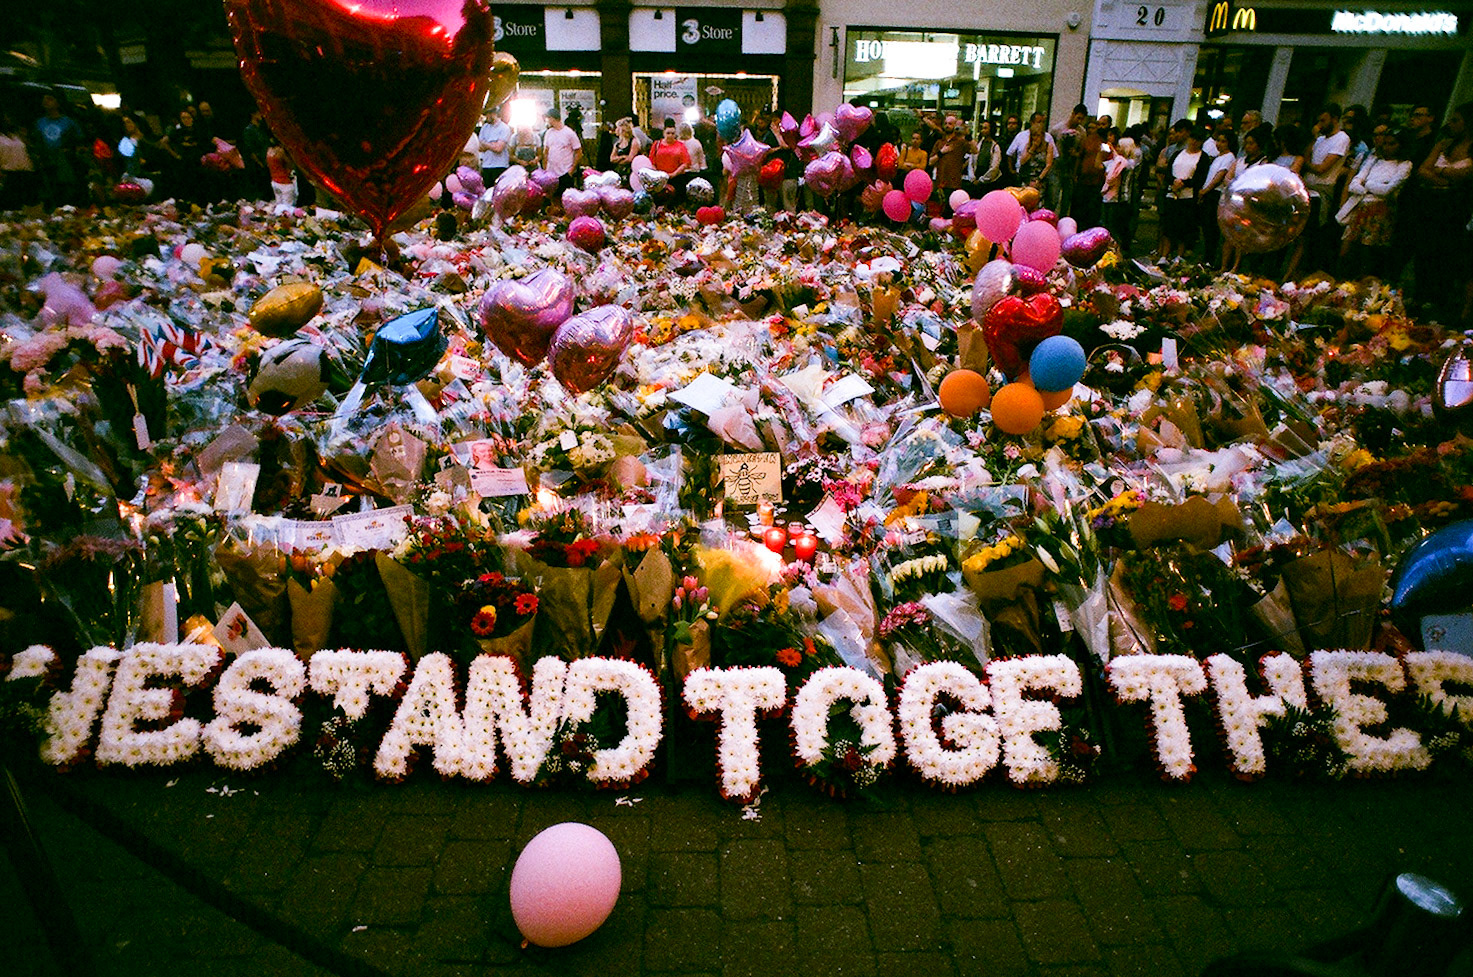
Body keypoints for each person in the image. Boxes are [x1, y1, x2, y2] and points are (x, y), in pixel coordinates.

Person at [1413, 103, 1473, 320]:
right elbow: (1422, 170)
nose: (1451, 124)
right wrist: (1444, 177)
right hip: (1433, 203)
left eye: (1456, 120)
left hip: (1456, 209)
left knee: (1445, 255)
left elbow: (1465, 175)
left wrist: (1438, 174)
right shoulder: (1444, 144)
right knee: (1424, 250)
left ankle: (1437, 301)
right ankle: (1419, 296)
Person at [1338, 127, 1411, 279]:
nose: (1387, 147)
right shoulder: (1373, 160)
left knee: (1368, 255)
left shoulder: (1404, 165)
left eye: (1392, 144)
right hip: (1361, 207)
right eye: (1385, 143)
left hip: (1380, 211)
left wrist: (1367, 184)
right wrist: (1368, 187)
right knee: (1348, 251)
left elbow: (1388, 190)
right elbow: (1354, 183)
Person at [1302, 103, 1350, 272]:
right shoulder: (1320, 139)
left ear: (1335, 119)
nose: (1320, 124)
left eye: (1323, 120)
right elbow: (1305, 157)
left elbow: (1322, 168)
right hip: (1307, 186)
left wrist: (1307, 165)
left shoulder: (1342, 138)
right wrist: (1312, 139)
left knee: (1314, 233)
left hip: (1323, 188)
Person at [1221, 123, 1275, 272]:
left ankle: (1237, 266)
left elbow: (1258, 182)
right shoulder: (1239, 161)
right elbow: (1228, 177)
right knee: (1228, 234)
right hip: (1233, 200)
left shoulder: (1262, 163)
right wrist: (1235, 185)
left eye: (1251, 143)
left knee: (1242, 235)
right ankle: (1224, 265)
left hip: (1248, 203)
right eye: (1246, 143)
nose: (1248, 146)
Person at [1158, 126, 1207, 261]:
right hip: (1172, 193)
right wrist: (1173, 182)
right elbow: (1168, 172)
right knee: (1168, 226)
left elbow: (1200, 178)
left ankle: (1180, 254)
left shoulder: (1202, 157)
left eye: (1198, 140)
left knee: (1184, 228)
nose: (1194, 142)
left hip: (1188, 197)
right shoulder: (1178, 154)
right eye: (1192, 139)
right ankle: (1164, 255)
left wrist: (1184, 183)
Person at [33, 91, 87, 210]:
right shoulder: (40, 122)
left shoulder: (68, 122)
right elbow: (36, 141)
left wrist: (72, 152)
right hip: (47, 161)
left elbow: (80, 142)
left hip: (66, 160)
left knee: (66, 188)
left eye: (50, 99)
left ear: (57, 102)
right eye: (44, 99)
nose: (46, 102)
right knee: (51, 189)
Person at [1199, 129, 1237, 266]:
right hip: (1208, 192)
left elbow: (1219, 176)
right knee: (1206, 227)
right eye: (1218, 140)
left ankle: (1211, 259)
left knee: (1212, 229)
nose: (1219, 144)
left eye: (1223, 141)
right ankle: (1207, 257)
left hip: (1215, 193)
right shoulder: (1218, 157)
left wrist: (1205, 190)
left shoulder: (1229, 157)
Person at [929, 114, 975, 215]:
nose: (947, 125)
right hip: (940, 182)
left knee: (951, 212)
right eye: (945, 123)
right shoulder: (939, 142)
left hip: (954, 183)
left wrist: (968, 135)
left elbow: (975, 150)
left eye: (950, 123)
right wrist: (941, 152)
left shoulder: (961, 142)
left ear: (955, 126)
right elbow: (931, 161)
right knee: (939, 211)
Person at [1049, 103, 1090, 214]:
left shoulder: (1082, 132)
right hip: (1056, 168)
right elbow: (1049, 147)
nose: (1079, 121)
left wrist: (1075, 154)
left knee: (1066, 201)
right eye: (1078, 118)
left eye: (1082, 119)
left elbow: (1081, 153)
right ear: (1073, 114)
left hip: (1070, 170)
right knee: (1054, 198)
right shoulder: (1057, 129)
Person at [1070, 121, 1107, 230]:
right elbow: (1080, 157)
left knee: (1092, 211)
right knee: (1079, 209)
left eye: (1102, 125)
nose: (1100, 127)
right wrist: (1076, 174)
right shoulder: (1088, 140)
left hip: (1098, 181)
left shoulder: (1106, 143)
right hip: (1083, 180)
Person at [1101, 135, 1135, 254]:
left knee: (1115, 227)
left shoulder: (1127, 163)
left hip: (1120, 199)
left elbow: (1115, 174)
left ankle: (1118, 252)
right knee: (1107, 224)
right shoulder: (1118, 161)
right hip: (1111, 197)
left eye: (1120, 146)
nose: (1118, 148)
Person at [0, 111, 38, 211]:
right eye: (6, 118)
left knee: (28, 205)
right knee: (11, 206)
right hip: (9, 175)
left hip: (26, 173)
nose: (8, 120)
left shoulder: (17, 136)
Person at [540, 109, 582, 193]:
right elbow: (546, 151)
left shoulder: (569, 133)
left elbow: (579, 152)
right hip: (551, 174)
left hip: (565, 172)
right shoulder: (548, 133)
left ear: (552, 118)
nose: (546, 121)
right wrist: (545, 170)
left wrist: (572, 170)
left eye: (547, 118)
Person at [1016, 115, 1054, 192]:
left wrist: (1039, 179)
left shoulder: (1048, 146)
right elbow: (1022, 161)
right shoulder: (1028, 145)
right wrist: (1032, 148)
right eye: (1033, 135)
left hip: (1040, 179)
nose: (1035, 138)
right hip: (1026, 178)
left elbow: (1048, 165)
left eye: (1038, 135)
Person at [478, 103, 512, 188]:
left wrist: (486, 144)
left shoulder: (504, 128)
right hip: (486, 165)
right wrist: (493, 144)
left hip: (500, 166)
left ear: (494, 114)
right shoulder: (484, 127)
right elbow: (480, 147)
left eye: (488, 114)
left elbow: (499, 148)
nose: (486, 117)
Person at [971, 119, 1003, 196]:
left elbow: (994, 167)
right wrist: (972, 177)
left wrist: (982, 180)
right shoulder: (978, 144)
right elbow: (971, 161)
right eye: (982, 128)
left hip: (988, 182)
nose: (982, 130)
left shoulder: (995, 147)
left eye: (985, 128)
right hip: (976, 177)